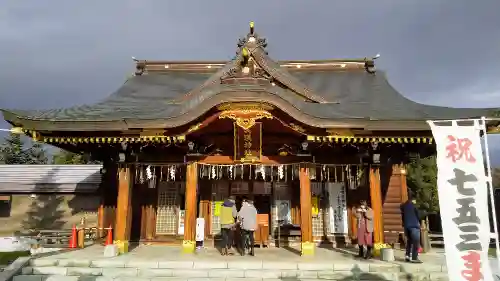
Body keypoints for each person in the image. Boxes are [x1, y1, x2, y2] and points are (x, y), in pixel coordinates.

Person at [400, 196, 423, 263]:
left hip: (407, 227)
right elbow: (418, 215)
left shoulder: (403, 206)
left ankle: (407, 256)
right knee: (416, 242)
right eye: (415, 201)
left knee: (409, 241)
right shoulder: (414, 206)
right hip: (414, 226)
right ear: (412, 200)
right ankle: (414, 258)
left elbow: (403, 217)